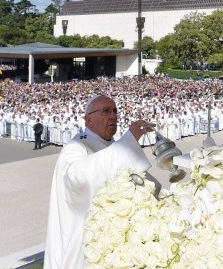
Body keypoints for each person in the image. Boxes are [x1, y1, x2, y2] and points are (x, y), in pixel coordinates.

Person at [44, 94, 156, 269]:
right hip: (87, 243)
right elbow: (75, 179)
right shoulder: (76, 147)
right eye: (105, 111)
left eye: (115, 111)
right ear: (88, 120)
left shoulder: (112, 146)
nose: (113, 116)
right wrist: (128, 143)